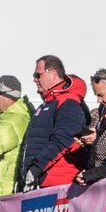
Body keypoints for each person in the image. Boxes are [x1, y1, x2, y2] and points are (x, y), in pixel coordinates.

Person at [18, 57, 89, 190]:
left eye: (37, 75)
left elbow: (64, 139)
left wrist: (36, 168)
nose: (34, 79)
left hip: (59, 182)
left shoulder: (69, 101)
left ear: (53, 74)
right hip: (40, 181)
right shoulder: (45, 105)